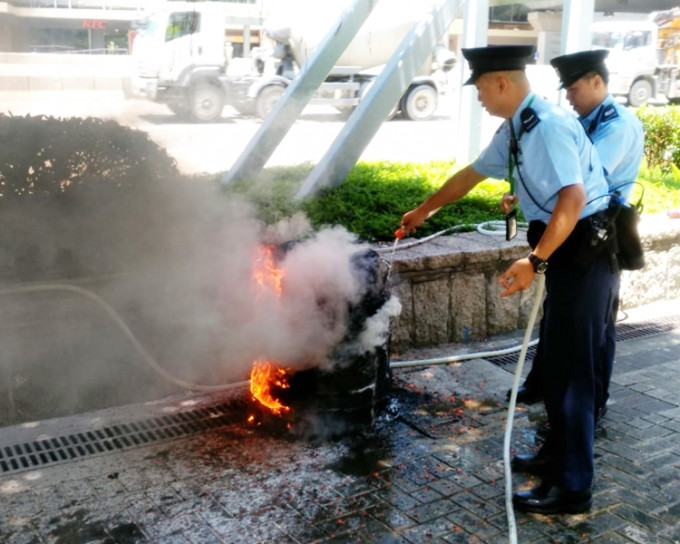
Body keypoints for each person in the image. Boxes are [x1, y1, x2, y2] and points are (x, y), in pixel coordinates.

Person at [399, 45, 617, 515]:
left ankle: (574, 486)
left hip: (583, 251)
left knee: (573, 374)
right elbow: (471, 175)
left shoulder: (550, 126)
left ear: (500, 82)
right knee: (557, 365)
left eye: (479, 87)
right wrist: (423, 211)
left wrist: (534, 261)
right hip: (563, 249)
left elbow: (574, 200)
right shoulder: (517, 127)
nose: (477, 96)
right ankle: (556, 456)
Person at [508, 50, 644, 427]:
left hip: (602, 235)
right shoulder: (584, 120)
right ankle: (542, 385)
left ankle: (591, 406)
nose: (569, 95)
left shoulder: (617, 125)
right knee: (558, 317)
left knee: (594, 329)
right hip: (575, 234)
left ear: (598, 82)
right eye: (566, 88)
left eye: (575, 87)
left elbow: (582, 181)